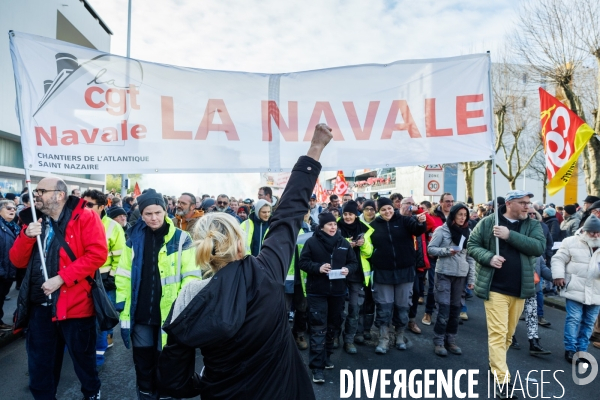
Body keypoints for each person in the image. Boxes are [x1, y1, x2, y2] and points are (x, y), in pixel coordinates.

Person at [156, 123, 332, 399]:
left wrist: (204, 383)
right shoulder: (268, 270)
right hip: (285, 391)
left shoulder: (190, 296)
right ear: (240, 241)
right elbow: (288, 213)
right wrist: (315, 149)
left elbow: (173, 379)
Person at [10, 178, 106, 400]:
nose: (36, 195)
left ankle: (91, 394)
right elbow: (17, 261)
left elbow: (97, 254)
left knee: (83, 361)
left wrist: (61, 278)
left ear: (59, 195)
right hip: (39, 308)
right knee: (40, 366)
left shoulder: (85, 216)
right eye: (36, 191)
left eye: (41, 191)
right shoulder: (32, 220)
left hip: (75, 306)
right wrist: (26, 237)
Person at [114, 189, 200, 399]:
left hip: (169, 313)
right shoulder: (133, 237)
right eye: (148, 214)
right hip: (141, 312)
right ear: (141, 214)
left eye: (158, 212)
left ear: (165, 210)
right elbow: (124, 274)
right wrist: (122, 303)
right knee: (143, 362)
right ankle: (145, 394)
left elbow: (191, 276)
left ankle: (165, 395)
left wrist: (180, 305)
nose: (154, 218)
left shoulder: (181, 238)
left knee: (166, 362)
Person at [467, 190, 545, 397]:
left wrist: (509, 235)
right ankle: (503, 381)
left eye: (528, 203)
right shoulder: (487, 222)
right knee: (498, 334)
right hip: (495, 288)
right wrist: (489, 257)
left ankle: (495, 364)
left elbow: (538, 247)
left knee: (508, 336)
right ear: (509, 204)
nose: (528, 207)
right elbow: (472, 245)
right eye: (523, 203)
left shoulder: (533, 224)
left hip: (520, 289)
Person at [369, 197, 427, 354]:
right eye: (383, 210)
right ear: (378, 211)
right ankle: (383, 338)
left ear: (392, 208)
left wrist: (421, 221)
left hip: (405, 270)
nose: (387, 211)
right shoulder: (372, 226)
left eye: (389, 208)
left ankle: (400, 336)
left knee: (402, 305)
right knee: (383, 305)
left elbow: (418, 229)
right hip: (383, 272)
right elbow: (367, 248)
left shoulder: (404, 221)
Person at [82, 189, 126, 365]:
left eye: (89, 205)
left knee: (100, 319)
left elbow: (120, 256)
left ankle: (97, 358)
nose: (85, 208)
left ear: (101, 207)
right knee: (84, 319)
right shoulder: (77, 222)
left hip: (103, 281)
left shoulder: (113, 227)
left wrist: (111, 278)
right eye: (82, 204)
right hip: (81, 279)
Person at [427, 203, 475, 357]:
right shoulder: (442, 230)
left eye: (464, 215)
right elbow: (431, 248)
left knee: (456, 309)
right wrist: (448, 251)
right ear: (453, 215)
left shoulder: (468, 231)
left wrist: (471, 278)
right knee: (444, 309)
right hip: (444, 273)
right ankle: (439, 341)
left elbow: (471, 257)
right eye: (459, 214)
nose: (462, 218)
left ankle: (451, 340)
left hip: (460, 275)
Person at [551, 215, 600, 364]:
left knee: (589, 323)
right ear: (585, 231)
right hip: (575, 287)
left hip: (597, 291)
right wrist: (558, 275)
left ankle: (581, 351)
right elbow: (558, 259)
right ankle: (571, 350)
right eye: (593, 233)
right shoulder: (570, 241)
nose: (596, 235)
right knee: (573, 319)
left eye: (599, 232)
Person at [336, 200, 374, 355]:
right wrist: (346, 244)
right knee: (337, 308)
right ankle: (335, 336)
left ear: (356, 214)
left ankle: (349, 340)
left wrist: (363, 244)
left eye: (350, 214)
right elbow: (329, 247)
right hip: (337, 274)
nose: (347, 217)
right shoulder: (334, 226)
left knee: (354, 308)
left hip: (357, 274)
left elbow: (369, 253)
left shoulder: (365, 229)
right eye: (345, 214)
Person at [423, 192, 455, 326]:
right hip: (434, 256)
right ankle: (428, 313)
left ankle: (444, 315)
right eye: (447, 201)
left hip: (450, 256)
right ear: (441, 202)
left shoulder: (455, 217)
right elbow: (423, 236)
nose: (450, 204)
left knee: (448, 288)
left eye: (452, 201)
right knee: (433, 286)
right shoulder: (431, 216)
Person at [0, 200, 19, 331]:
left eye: (14, 208)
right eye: (9, 208)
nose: (12, 210)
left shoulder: (14, 226)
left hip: (8, 271)